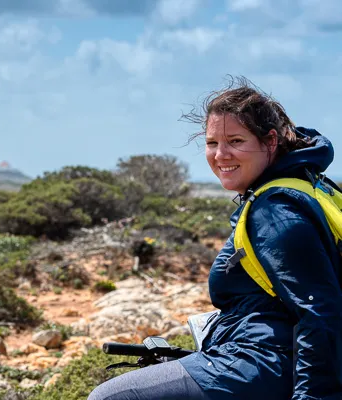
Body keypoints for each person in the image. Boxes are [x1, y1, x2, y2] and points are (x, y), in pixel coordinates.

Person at [87, 75, 342, 400]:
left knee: (110, 398)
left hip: (269, 358)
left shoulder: (275, 210)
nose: (220, 155)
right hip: (263, 348)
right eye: (211, 143)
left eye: (235, 141)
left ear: (271, 142)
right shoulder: (306, 184)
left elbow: (320, 311)